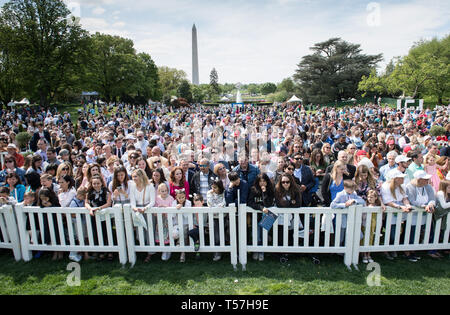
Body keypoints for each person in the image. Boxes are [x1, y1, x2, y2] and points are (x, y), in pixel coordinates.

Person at [380, 169, 415, 261]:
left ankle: (393, 248)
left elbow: (405, 198)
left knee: (397, 231)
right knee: (390, 232)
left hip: (400, 211)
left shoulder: (402, 186)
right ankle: (386, 250)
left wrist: (407, 205)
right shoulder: (385, 186)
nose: (403, 179)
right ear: (395, 179)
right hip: (391, 212)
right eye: (401, 178)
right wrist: (400, 207)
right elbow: (388, 201)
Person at [405, 170, 439, 259]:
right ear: (419, 179)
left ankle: (424, 250)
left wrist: (431, 204)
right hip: (413, 215)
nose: (427, 180)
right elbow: (412, 200)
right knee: (412, 233)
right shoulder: (410, 187)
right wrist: (424, 206)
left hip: (426, 214)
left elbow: (432, 198)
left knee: (428, 231)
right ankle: (410, 251)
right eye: (425, 179)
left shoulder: (428, 187)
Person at [247, 173, 275, 262]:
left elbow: (268, 204)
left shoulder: (270, 190)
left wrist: (264, 192)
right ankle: (256, 250)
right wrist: (260, 208)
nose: (262, 183)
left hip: (267, 216)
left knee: (264, 235)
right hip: (256, 216)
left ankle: (262, 251)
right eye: (260, 181)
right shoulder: (253, 190)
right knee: (256, 234)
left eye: (264, 181)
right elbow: (250, 202)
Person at [85, 174, 113, 261]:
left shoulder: (106, 192)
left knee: (107, 233)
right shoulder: (89, 193)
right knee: (97, 233)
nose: (96, 185)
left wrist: (99, 208)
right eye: (94, 184)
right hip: (94, 216)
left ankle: (110, 252)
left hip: (105, 215)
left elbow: (109, 203)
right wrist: (90, 209)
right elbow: (86, 203)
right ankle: (101, 251)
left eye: (98, 183)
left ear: (101, 183)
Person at [330, 180, 366, 245]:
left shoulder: (354, 194)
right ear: (345, 188)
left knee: (355, 235)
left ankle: (348, 247)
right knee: (341, 236)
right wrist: (344, 205)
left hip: (352, 219)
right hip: (342, 219)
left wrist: (354, 200)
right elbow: (333, 205)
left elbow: (362, 201)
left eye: (353, 189)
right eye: (351, 189)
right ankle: (339, 251)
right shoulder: (340, 194)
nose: (352, 191)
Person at [206, 179, 226, 262]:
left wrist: (218, 207)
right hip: (213, 217)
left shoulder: (224, 193)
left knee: (221, 234)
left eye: (215, 187)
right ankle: (216, 251)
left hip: (222, 216)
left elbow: (224, 203)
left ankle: (221, 250)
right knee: (215, 235)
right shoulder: (209, 193)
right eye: (212, 187)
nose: (213, 189)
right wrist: (211, 195)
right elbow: (210, 204)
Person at [155, 183, 175, 261]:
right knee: (160, 234)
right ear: (159, 191)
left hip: (168, 219)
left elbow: (172, 208)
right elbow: (155, 208)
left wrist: (164, 208)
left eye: (166, 191)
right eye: (162, 191)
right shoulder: (157, 198)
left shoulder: (170, 198)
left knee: (168, 234)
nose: (164, 192)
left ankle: (168, 250)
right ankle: (163, 250)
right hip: (160, 220)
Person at [171, 188, 192, 263]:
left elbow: (186, 216)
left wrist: (182, 208)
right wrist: (176, 209)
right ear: (176, 197)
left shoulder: (188, 203)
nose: (181, 199)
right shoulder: (174, 203)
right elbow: (172, 215)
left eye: (183, 197)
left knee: (184, 233)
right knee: (175, 234)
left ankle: (182, 253)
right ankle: (178, 243)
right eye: (179, 198)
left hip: (185, 223)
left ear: (185, 196)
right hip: (176, 224)